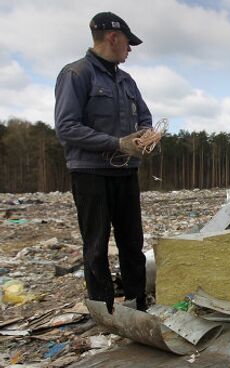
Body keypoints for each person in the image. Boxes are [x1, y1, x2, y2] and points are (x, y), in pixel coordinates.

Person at [54, 12, 151, 313]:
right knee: (96, 245)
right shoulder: (76, 74)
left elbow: (145, 116)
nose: (130, 49)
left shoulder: (127, 81)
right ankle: (102, 309)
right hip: (90, 173)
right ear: (113, 38)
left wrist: (147, 136)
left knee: (132, 242)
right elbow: (66, 126)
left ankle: (136, 303)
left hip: (125, 172)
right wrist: (116, 143)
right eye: (128, 43)